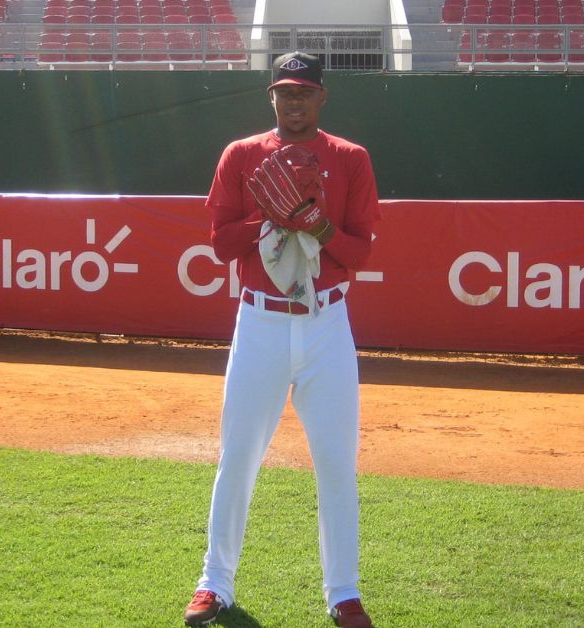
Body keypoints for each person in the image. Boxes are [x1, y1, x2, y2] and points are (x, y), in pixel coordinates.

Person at [183, 51, 379, 628]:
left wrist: (315, 225)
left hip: (326, 323)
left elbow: (361, 251)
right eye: (284, 92)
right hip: (261, 321)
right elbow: (220, 242)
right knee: (238, 458)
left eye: (304, 91)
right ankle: (213, 584)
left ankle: (343, 593)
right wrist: (272, 220)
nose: (293, 101)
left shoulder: (350, 158)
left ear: (322, 97)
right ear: (272, 96)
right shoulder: (242, 155)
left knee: (337, 464)